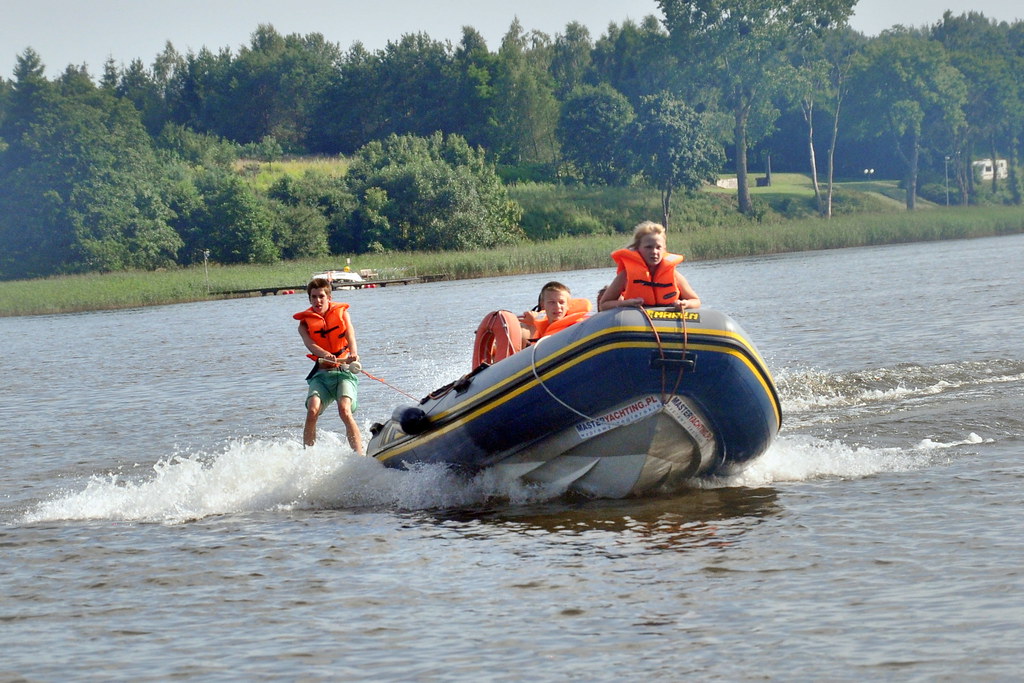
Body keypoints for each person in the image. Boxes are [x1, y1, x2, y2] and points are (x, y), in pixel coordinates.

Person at [294, 278, 363, 453]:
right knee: (312, 411)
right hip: (322, 375)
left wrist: (354, 354)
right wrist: (325, 355)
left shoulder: (342, 314)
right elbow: (311, 345)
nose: (318, 301)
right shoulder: (303, 324)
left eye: (321, 296)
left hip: (344, 372)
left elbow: (350, 336)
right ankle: (308, 456)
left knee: (344, 410)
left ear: (329, 297)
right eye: (314, 297)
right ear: (309, 299)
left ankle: (360, 456)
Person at [598, 221, 701, 312]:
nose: (654, 252)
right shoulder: (626, 275)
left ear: (664, 249)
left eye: (658, 247)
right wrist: (626, 303)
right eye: (648, 247)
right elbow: (604, 305)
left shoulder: (674, 275)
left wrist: (685, 304)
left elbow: (696, 301)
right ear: (638, 248)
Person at [520, 281, 591, 344]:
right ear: (543, 305)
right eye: (552, 302)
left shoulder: (577, 327)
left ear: (568, 305)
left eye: (561, 302)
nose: (557, 306)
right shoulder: (539, 324)